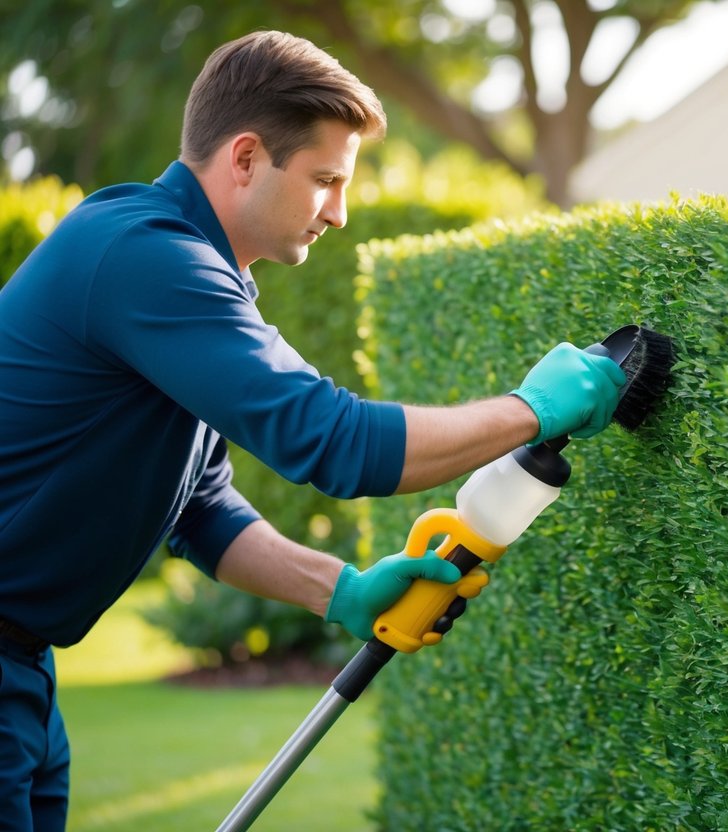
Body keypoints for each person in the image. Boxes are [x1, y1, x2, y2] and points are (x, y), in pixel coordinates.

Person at [0, 30, 625, 831]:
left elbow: (200, 510)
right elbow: (335, 442)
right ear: (247, 157)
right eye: (326, 179)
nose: (340, 211)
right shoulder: (145, 260)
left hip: (25, 671)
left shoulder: (188, 270)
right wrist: (533, 409)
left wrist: (345, 593)